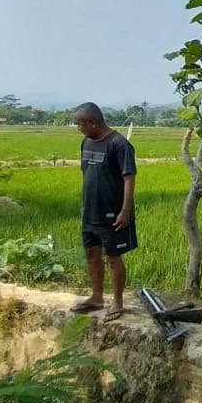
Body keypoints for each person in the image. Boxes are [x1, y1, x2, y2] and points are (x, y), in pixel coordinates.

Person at [70, 102, 136, 322]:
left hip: (112, 213)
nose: (78, 128)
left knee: (113, 257)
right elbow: (87, 175)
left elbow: (129, 178)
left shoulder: (119, 144)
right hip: (90, 212)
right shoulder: (86, 143)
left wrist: (125, 211)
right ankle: (97, 297)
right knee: (92, 255)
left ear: (93, 122)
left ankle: (117, 301)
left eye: (80, 124)